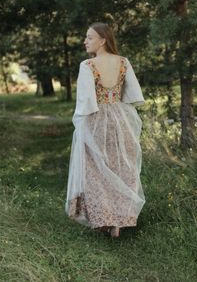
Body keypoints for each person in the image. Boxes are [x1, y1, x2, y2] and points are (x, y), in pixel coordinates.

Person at [65, 22, 145, 238]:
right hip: (121, 119)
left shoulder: (88, 65)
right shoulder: (123, 62)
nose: (85, 41)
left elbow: (86, 102)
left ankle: (106, 218)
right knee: (121, 167)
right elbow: (134, 94)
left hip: (97, 118)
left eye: (89, 37)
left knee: (98, 169)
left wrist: (81, 124)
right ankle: (119, 221)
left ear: (102, 40)